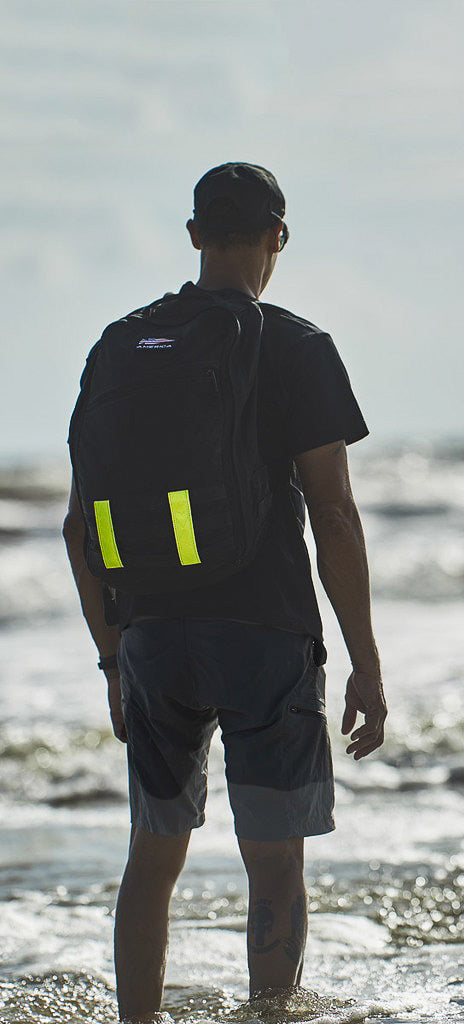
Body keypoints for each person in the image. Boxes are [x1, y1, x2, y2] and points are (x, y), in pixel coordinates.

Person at [63, 162, 386, 1021]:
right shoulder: (297, 345)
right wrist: (366, 664)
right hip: (266, 635)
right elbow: (336, 514)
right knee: (273, 857)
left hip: (152, 636)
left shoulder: (119, 347)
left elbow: (76, 528)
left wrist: (111, 659)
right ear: (278, 236)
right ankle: (270, 1012)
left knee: (153, 852)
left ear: (197, 236)